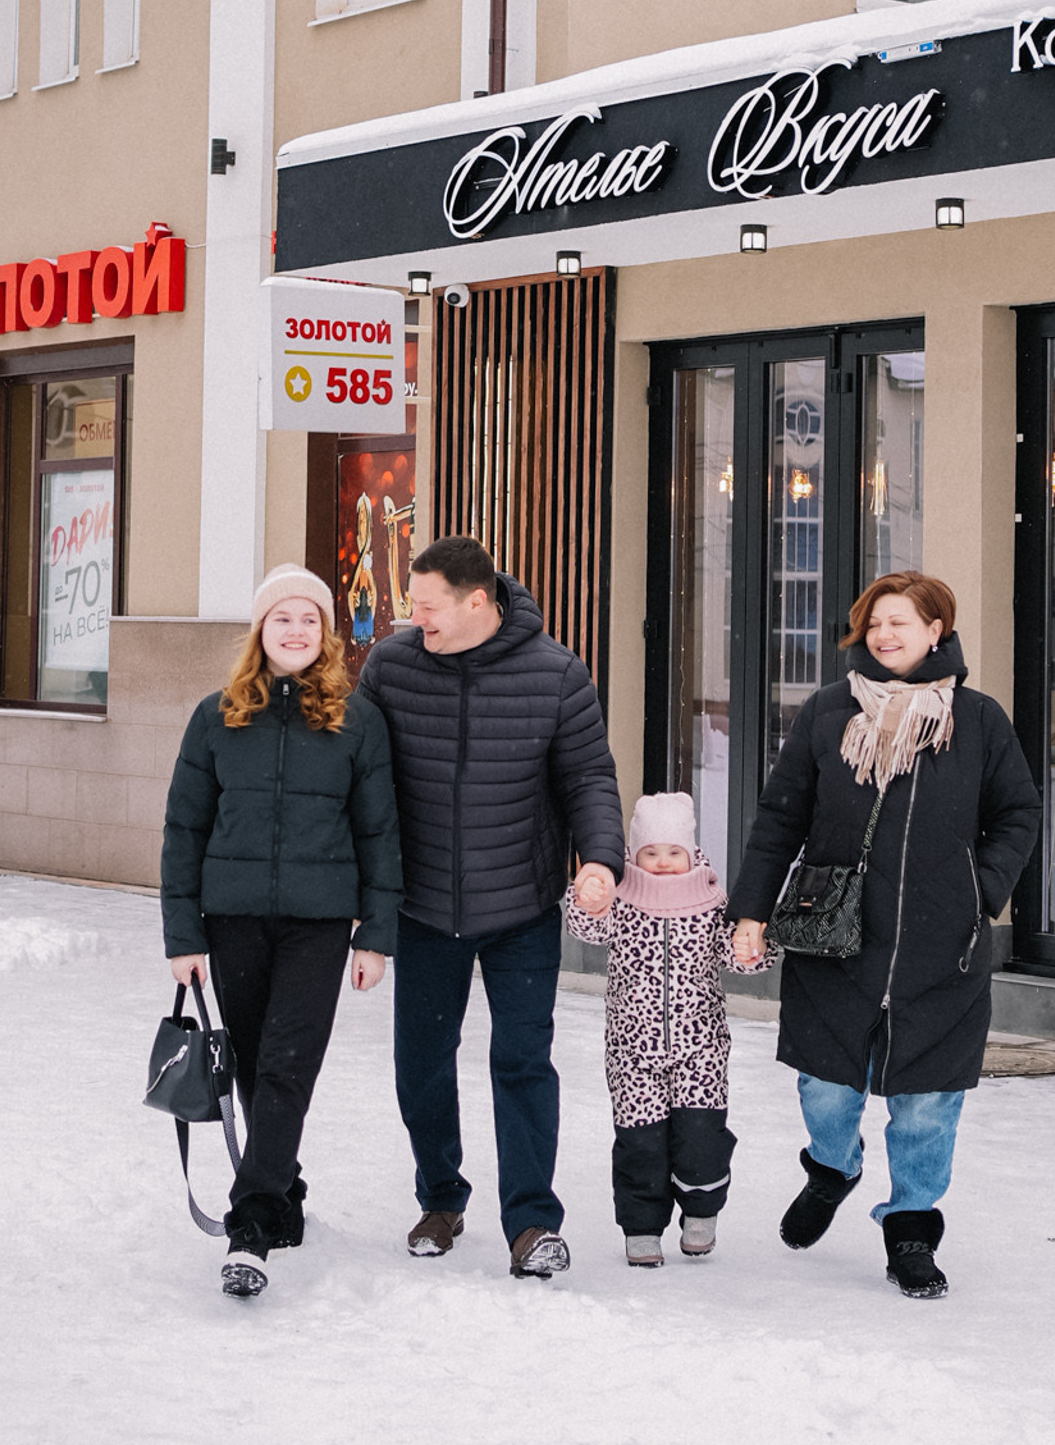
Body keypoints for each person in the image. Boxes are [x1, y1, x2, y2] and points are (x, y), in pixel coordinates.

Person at [729, 571, 1040, 1300]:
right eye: (875, 623)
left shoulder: (979, 720)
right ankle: (833, 1168)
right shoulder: (830, 712)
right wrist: (751, 911)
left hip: (943, 948)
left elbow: (1018, 815)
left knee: (928, 1103)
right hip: (837, 937)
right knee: (827, 1089)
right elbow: (782, 817)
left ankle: (910, 1227)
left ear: (937, 631)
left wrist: (977, 892)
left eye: (900, 621)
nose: (885, 635)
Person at [357, 535, 626, 1280]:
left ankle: (533, 1222)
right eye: (414, 607)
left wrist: (601, 860)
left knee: (522, 1061)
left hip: (520, 907)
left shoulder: (556, 674)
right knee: (421, 1064)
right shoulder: (391, 666)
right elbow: (357, 774)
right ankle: (441, 1198)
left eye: (429, 607)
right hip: (422, 906)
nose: (417, 620)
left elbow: (589, 780)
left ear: (478, 601)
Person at [160, 564, 402, 1299]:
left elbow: (380, 834)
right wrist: (182, 935)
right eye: (281, 619)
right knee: (260, 1060)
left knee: (288, 1069)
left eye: (309, 620)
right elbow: (183, 829)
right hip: (231, 920)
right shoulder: (215, 716)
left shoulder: (356, 720)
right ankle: (285, 1190)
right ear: (259, 631)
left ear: (326, 634)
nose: (296, 631)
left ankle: (252, 1226)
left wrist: (375, 936)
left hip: (319, 923)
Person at [564, 791, 772, 1268]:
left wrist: (750, 949)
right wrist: (587, 895)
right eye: (650, 853)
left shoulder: (710, 899)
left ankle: (701, 1211)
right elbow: (586, 929)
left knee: (701, 1137)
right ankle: (641, 1225)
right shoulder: (623, 898)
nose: (662, 863)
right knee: (641, 1142)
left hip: (699, 1047)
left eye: (673, 853)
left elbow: (735, 953)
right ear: (634, 855)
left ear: (691, 853)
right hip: (631, 1049)